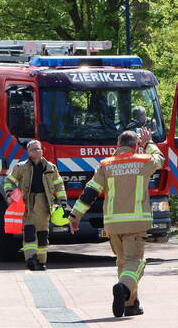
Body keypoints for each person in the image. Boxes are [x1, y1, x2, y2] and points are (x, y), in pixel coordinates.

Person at [68, 128, 164, 317]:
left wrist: (75, 216)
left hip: (112, 224)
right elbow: (159, 158)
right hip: (136, 223)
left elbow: (90, 192)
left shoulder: (106, 165)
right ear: (135, 146)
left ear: (117, 146)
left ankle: (130, 305)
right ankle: (124, 288)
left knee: (122, 263)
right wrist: (148, 143)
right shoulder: (143, 161)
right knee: (135, 263)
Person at [4, 140, 69, 271]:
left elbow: (59, 184)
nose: (38, 151)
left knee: (43, 234)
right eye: (34, 149)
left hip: (45, 204)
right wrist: (9, 194)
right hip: (27, 204)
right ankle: (30, 258)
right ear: (28, 153)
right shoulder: (20, 167)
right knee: (29, 233)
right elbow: (9, 181)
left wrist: (63, 202)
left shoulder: (50, 167)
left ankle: (41, 262)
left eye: (39, 148)